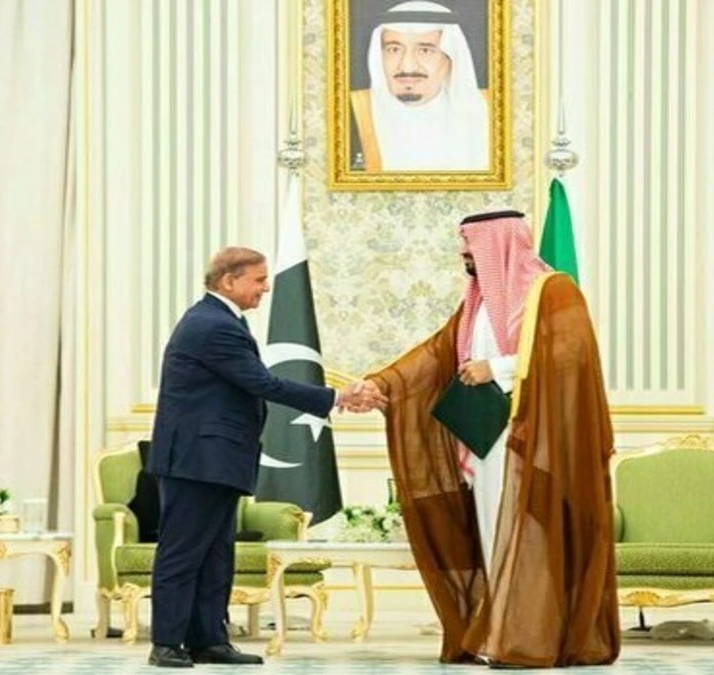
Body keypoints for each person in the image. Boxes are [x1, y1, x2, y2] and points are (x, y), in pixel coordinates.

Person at [356, 210, 620, 668]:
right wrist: (382, 384)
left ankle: (534, 637)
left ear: (499, 244)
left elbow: (569, 353)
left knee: (529, 532)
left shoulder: (553, 290)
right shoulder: (478, 302)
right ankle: (501, 632)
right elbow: (436, 353)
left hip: (533, 438)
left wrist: (496, 368)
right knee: (493, 529)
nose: (463, 253)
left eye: (470, 245)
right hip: (485, 440)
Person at [145, 246, 385, 668]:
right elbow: (263, 383)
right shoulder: (211, 325)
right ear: (228, 281)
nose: (266, 287)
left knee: (216, 554)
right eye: (258, 279)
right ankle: (166, 643)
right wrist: (335, 397)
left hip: (214, 459)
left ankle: (208, 640)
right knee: (183, 553)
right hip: (198, 461)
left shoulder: (220, 320)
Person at [349, 0, 489, 172]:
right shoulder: (351, 114)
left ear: (451, 57)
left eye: (425, 50)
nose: (407, 66)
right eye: (394, 49)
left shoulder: (493, 113)